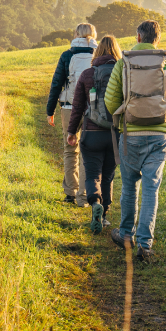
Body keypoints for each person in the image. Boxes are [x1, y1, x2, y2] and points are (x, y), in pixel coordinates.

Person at [104, 20, 166, 262]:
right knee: (152, 188)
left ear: (138, 37)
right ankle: (145, 243)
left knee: (130, 187)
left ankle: (126, 235)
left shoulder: (123, 63)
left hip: (130, 133)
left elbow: (111, 103)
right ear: (157, 39)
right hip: (160, 135)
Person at [65, 35, 122, 234]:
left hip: (91, 132)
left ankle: (95, 202)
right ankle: (104, 215)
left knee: (92, 175)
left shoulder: (88, 74)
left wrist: (72, 131)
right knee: (107, 175)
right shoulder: (122, 73)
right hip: (115, 134)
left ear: (97, 52)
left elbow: (78, 107)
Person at [46, 23, 96, 205]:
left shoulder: (67, 55)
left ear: (76, 35)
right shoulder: (98, 54)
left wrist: (50, 110)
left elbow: (56, 83)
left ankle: (70, 192)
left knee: (70, 149)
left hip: (68, 106)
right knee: (87, 151)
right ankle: (84, 195)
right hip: (93, 108)